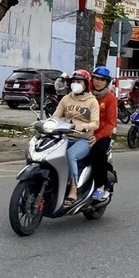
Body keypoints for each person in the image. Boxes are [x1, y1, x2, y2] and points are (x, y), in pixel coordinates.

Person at [52, 68, 99, 207]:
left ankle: (73, 190)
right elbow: (56, 116)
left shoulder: (92, 101)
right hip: (64, 136)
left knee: (69, 155)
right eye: (73, 81)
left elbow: (95, 123)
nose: (75, 84)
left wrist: (84, 127)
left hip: (83, 139)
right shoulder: (66, 99)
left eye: (79, 81)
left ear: (85, 84)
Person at [87, 66, 117, 201]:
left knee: (97, 153)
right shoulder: (85, 94)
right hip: (81, 132)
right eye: (96, 78)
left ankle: (100, 187)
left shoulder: (110, 98)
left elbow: (111, 123)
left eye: (102, 80)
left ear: (107, 82)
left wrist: (97, 136)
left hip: (101, 136)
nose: (98, 82)